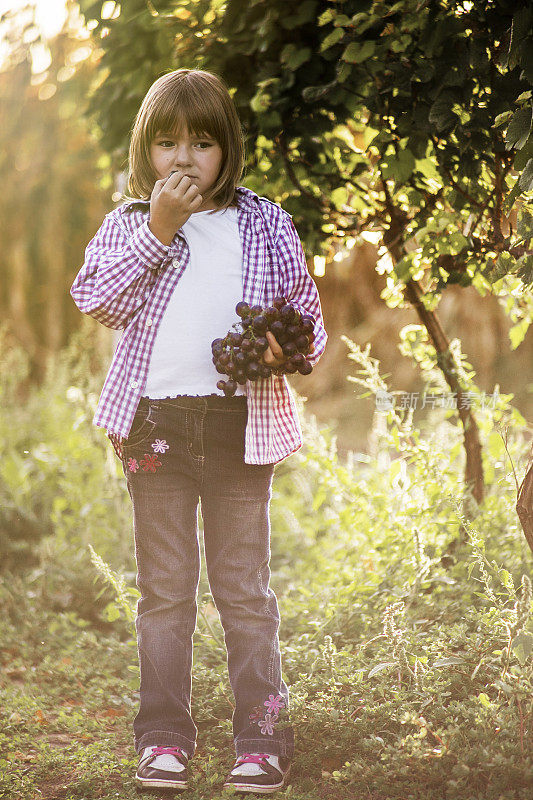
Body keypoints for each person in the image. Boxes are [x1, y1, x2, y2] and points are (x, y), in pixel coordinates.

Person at [70, 68, 327, 795]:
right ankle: (162, 737)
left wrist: (288, 344)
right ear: (144, 150)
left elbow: (305, 313)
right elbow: (96, 298)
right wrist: (160, 227)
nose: (183, 159)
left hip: (238, 425)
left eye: (203, 143)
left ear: (228, 151)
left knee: (244, 590)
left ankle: (260, 736)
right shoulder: (130, 222)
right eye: (167, 143)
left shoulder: (264, 221)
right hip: (153, 426)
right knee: (166, 592)